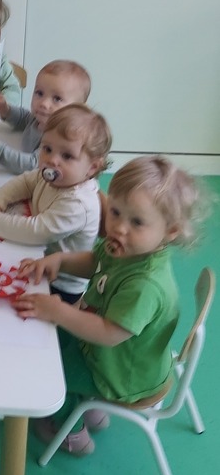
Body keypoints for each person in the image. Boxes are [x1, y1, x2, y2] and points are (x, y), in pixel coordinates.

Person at [12, 156, 203, 456]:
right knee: (49, 339)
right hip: (115, 356)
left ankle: (72, 434)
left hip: (119, 374)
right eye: (115, 212)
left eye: (137, 222)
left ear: (170, 231)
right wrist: (59, 261)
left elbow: (108, 333)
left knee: (50, 371)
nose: (119, 228)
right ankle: (93, 411)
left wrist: (59, 311)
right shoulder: (129, 247)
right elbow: (96, 261)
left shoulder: (145, 285)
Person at [0, 104, 111, 302]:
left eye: (67, 156)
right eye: (47, 149)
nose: (52, 160)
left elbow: (36, 231)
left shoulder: (78, 204)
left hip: (58, 283)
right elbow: (26, 181)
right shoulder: (55, 176)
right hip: (36, 256)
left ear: (92, 167)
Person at [0, 59, 91, 174]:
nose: (44, 103)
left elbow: (34, 164)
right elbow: (25, 119)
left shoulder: (60, 137)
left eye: (57, 99)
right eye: (39, 93)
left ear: (76, 109)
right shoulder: (41, 119)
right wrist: (6, 110)